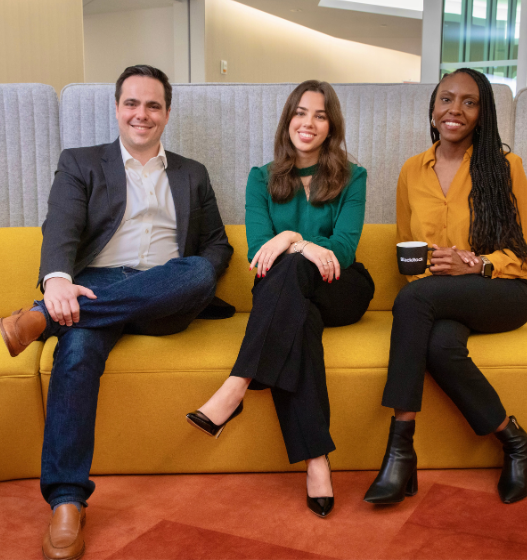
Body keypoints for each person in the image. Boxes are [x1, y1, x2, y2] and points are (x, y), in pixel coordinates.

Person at [0, 65, 232, 560]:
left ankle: (41, 318)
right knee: (78, 351)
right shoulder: (81, 162)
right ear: (117, 107)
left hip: (167, 291)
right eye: (132, 103)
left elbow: (216, 245)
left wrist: (204, 274)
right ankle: (66, 502)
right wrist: (58, 280)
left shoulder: (193, 173)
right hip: (94, 285)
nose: (141, 114)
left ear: (167, 113)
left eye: (153, 105)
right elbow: (59, 225)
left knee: (196, 272)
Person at [186, 80, 375, 518]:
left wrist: (290, 242)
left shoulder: (353, 176)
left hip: (342, 286)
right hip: (289, 294)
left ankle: (238, 385)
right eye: (300, 112)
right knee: (300, 320)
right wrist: (299, 239)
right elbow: (258, 252)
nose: (308, 123)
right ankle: (317, 461)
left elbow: (341, 250)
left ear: (331, 126)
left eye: (320, 115)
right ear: (287, 119)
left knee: (293, 268)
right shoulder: (261, 178)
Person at [364, 68, 527, 506]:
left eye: (469, 101)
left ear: (483, 113)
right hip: (440, 299)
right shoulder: (411, 171)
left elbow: (526, 254)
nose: (454, 110)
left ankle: (400, 450)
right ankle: (515, 443)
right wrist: (434, 276)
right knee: (439, 345)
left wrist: (476, 266)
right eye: (446, 99)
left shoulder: (505, 167)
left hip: (506, 292)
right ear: (433, 107)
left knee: (416, 297)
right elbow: (410, 253)